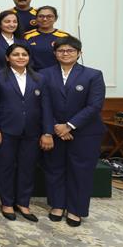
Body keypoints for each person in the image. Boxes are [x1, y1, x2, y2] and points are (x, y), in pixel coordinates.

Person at [40, 36, 105, 227]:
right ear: (55, 53)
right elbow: (42, 104)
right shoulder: (44, 74)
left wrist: (69, 126)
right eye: (61, 51)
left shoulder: (93, 75)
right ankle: (58, 205)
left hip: (85, 133)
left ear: (79, 53)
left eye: (70, 51)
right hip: (54, 130)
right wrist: (55, 126)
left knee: (81, 172)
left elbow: (94, 106)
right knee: (55, 169)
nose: (65, 54)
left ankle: (76, 209)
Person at [0, 43, 53, 222]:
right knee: (5, 167)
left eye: (24, 54)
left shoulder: (40, 78)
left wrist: (47, 132)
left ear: (29, 57)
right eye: (16, 54)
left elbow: (46, 107)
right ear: (8, 58)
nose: (20, 57)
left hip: (32, 131)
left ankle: (23, 203)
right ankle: (7, 203)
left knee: (27, 168)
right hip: (6, 130)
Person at [24, 6, 70, 70]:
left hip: (57, 75)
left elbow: (69, 58)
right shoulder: (27, 36)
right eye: (41, 16)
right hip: (33, 75)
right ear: (36, 18)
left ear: (55, 18)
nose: (45, 19)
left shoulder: (64, 36)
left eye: (49, 16)